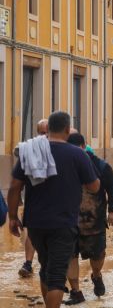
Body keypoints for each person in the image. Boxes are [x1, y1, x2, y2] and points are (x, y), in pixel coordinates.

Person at [6, 112, 100, 308]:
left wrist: (12, 216)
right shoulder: (77, 154)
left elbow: (14, 186)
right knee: (57, 276)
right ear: (68, 131)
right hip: (62, 224)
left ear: (48, 130)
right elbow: (95, 186)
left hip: (35, 223)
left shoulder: (30, 151)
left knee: (46, 269)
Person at [64, 133, 113, 305]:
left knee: (98, 255)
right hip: (68, 222)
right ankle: (76, 291)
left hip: (94, 222)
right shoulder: (62, 165)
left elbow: (112, 186)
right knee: (69, 256)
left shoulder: (100, 166)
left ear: (83, 147)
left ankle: (96, 275)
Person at [18, 119, 48, 278]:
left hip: (55, 203)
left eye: (47, 132)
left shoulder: (60, 150)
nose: (44, 136)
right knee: (30, 231)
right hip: (33, 201)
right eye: (41, 133)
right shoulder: (29, 152)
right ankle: (28, 263)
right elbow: (18, 180)